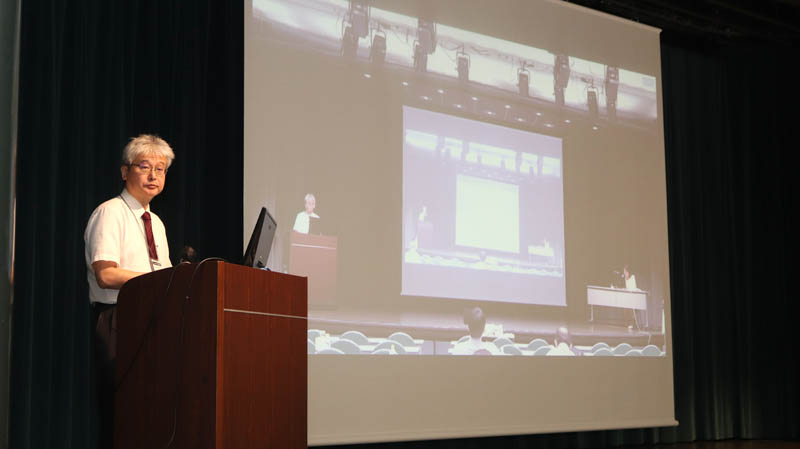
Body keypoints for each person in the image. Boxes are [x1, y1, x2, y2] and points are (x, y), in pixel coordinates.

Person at [84, 134, 175, 448]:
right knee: (123, 415)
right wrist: (158, 281)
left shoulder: (156, 222)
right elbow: (106, 274)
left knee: (148, 416)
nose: (153, 176)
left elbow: (164, 276)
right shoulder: (110, 212)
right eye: (144, 167)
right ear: (125, 171)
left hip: (153, 322)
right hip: (118, 321)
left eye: (160, 169)